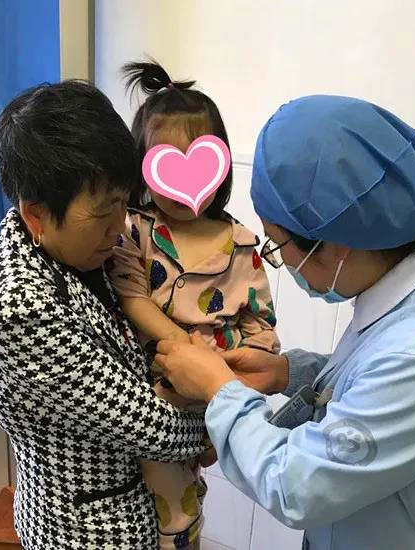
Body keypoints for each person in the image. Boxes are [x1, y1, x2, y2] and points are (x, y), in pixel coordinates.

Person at [153, 95, 415, 549]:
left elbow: (294, 486)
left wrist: (218, 390)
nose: (281, 261)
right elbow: (374, 372)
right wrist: (290, 372)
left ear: (336, 246)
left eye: (277, 245)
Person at [0, 80, 206, 549]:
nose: (119, 227)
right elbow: (154, 427)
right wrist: (228, 415)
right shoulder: (19, 306)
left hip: (147, 506)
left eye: (123, 203)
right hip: (90, 532)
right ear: (36, 215)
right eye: (102, 213)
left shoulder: (78, 252)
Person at [110, 60, 280, 550]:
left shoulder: (241, 244)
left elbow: (261, 326)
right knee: (167, 508)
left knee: (187, 497)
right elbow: (130, 296)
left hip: (212, 398)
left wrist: (224, 390)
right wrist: (187, 348)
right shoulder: (134, 230)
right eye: (167, 162)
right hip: (147, 400)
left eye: (198, 159)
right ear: (143, 166)